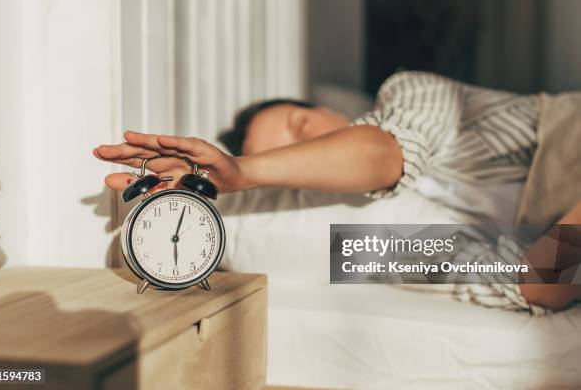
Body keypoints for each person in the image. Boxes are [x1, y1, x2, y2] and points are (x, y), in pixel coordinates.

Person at [94, 71, 581, 312]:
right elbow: (538, 283)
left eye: (300, 124)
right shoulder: (393, 237)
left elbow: (387, 153)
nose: (309, 145)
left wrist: (241, 172)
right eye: (288, 159)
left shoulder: (412, 92)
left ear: (324, 108)